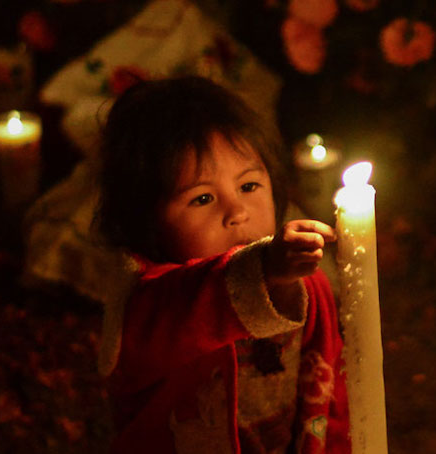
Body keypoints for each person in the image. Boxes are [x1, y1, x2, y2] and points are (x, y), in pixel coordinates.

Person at [94, 76, 349, 454]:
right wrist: (263, 271)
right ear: (146, 219)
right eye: (202, 198)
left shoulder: (307, 286)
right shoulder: (147, 308)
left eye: (248, 186)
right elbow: (196, 303)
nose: (237, 212)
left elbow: (330, 393)